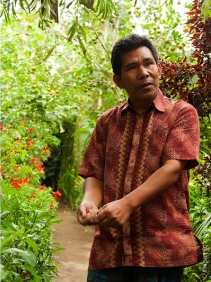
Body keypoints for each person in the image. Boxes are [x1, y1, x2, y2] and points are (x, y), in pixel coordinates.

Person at [77, 33, 203, 282]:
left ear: (159, 68)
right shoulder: (106, 122)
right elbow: (94, 172)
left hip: (162, 251)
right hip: (110, 251)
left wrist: (126, 204)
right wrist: (89, 202)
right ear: (118, 80)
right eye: (132, 67)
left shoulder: (181, 114)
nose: (143, 72)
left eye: (148, 63)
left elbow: (172, 168)